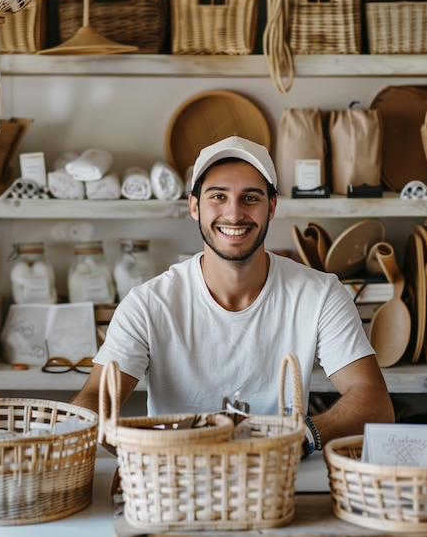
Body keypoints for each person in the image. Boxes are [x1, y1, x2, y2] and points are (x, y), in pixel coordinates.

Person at [72, 135, 394, 454]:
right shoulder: (148, 304)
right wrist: (144, 451)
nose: (234, 213)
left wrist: (301, 436)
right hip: (174, 484)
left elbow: (374, 402)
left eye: (250, 198)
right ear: (195, 207)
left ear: (272, 207)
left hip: (276, 481)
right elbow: (95, 399)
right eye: (218, 196)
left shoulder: (320, 295)